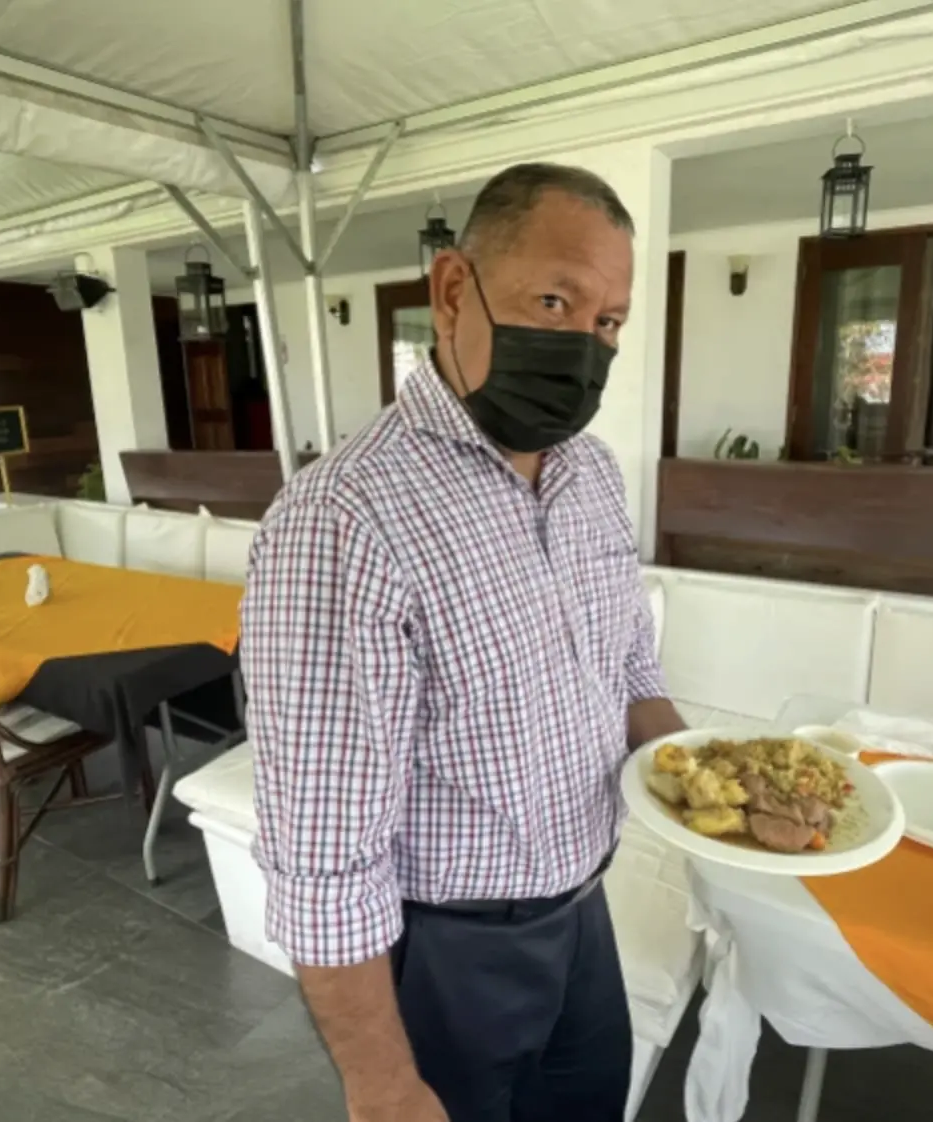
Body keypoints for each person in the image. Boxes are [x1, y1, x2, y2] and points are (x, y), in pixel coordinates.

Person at [240, 162, 686, 1122]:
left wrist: (705, 778)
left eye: (607, 322)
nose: (584, 343)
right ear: (452, 292)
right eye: (555, 300)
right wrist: (383, 1082)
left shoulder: (592, 476)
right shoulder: (344, 520)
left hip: (584, 913)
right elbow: (323, 853)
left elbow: (627, 663)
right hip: (449, 953)